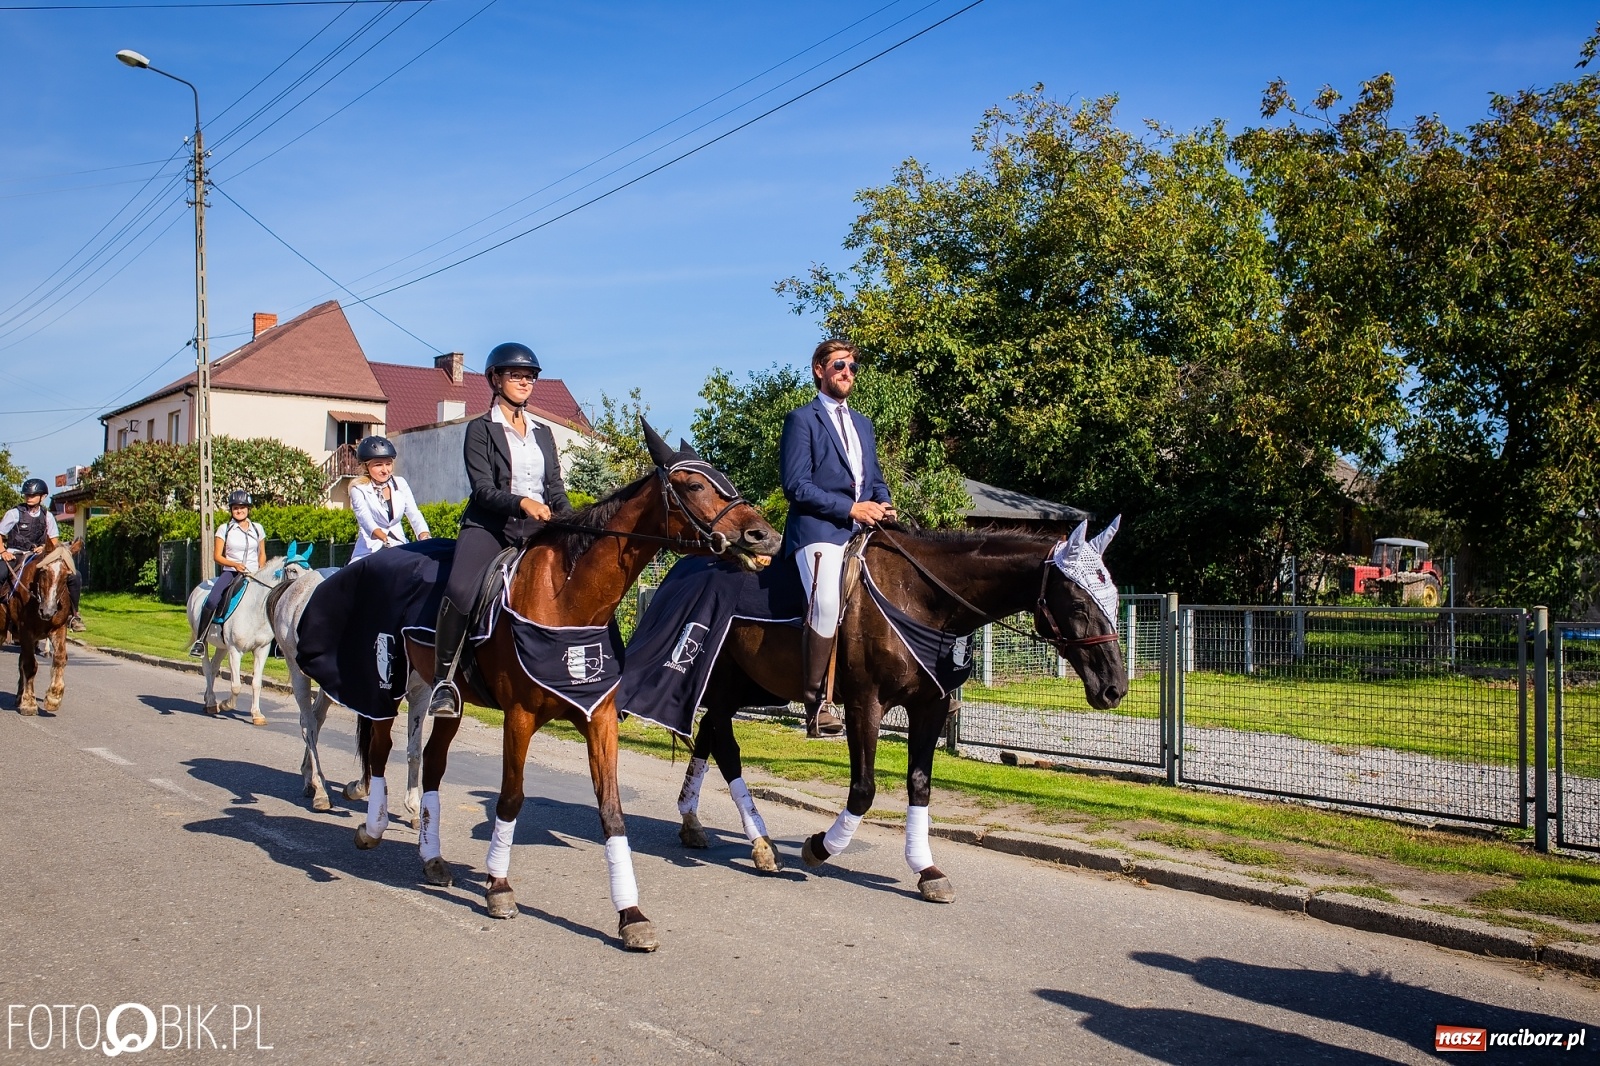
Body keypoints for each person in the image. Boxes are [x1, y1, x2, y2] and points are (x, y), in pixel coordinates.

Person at [427, 342, 572, 717]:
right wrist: (523, 503)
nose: (525, 382)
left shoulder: (543, 433)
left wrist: (572, 524)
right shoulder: (480, 429)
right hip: (490, 526)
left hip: (537, 527)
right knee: (460, 589)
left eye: (530, 376)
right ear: (495, 378)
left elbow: (554, 488)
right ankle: (444, 682)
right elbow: (483, 489)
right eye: (517, 375)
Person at [778, 338, 894, 738]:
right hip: (818, 530)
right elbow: (796, 485)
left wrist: (885, 504)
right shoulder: (802, 420)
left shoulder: (864, 424)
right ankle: (816, 704)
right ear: (819, 369)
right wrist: (850, 509)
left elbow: (873, 479)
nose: (848, 373)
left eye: (853, 368)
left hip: (865, 529)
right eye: (840, 365)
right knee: (826, 602)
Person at [0, 478, 85, 632]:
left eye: (33, 495)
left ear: (43, 497)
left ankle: (74, 615)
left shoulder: (47, 516)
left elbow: (53, 539)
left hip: (39, 555)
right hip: (15, 553)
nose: (29, 498)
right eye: (27, 495)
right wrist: (3, 551)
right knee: (0, 573)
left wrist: (44, 547)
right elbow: (0, 533)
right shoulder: (14, 514)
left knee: (75, 576)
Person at [190, 490, 267, 656]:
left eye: (242, 507)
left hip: (254, 574)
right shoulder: (224, 529)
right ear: (231, 510)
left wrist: (261, 568)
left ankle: (275, 643)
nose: (239, 511)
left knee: (272, 599)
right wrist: (234, 564)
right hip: (231, 572)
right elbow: (217, 556)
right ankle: (200, 640)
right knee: (212, 599)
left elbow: (262, 553)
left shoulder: (257, 528)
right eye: (235, 508)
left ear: (248, 509)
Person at [348, 435, 431, 561]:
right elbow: (365, 520)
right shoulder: (358, 489)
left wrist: (424, 535)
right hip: (370, 549)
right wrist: (385, 539)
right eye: (378, 465)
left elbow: (413, 513)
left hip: (399, 546)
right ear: (366, 466)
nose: (385, 470)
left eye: (388, 464)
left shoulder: (400, 483)